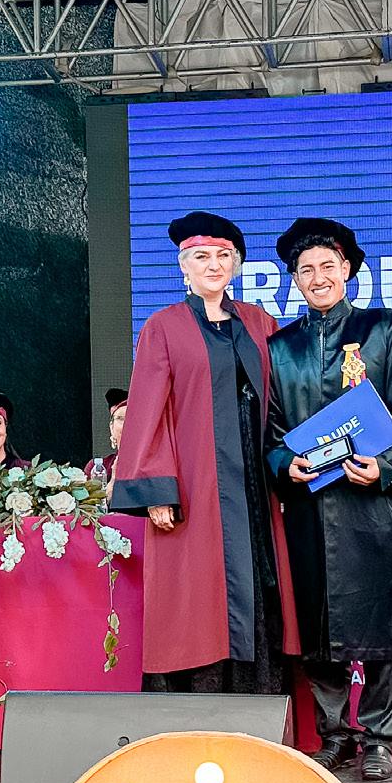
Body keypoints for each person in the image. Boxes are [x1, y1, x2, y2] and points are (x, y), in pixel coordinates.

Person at [264, 217, 392, 781]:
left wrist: (385, 467)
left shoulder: (384, 328)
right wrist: (283, 463)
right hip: (310, 507)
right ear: (294, 279)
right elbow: (270, 432)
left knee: (383, 625)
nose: (317, 277)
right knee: (318, 628)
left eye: (327, 267)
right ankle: (335, 734)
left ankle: (379, 737)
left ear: (347, 271)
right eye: (305, 270)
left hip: (376, 504)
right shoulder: (280, 348)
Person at [112, 211, 300, 695]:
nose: (213, 264)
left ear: (234, 265)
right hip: (197, 483)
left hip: (256, 483)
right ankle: (197, 705)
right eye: (201, 256)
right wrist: (157, 489)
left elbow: (283, 400)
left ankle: (259, 702)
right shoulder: (163, 327)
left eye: (222, 256)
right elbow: (148, 411)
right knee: (197, 593)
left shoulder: (260, 322)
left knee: (260, 581)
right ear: (184, 266)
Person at [93, 388, 128, 497]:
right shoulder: (98, 467)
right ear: (111, 428)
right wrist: (113, 481)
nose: (127, 424)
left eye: (132, 418)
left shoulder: (159, 467)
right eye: (121, 418)